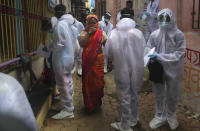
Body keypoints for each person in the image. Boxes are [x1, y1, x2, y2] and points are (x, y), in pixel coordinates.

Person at [105, 9, 145, 131]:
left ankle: (125, 125)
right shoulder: (138, 33)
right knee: (134, 94)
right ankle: (134, 119)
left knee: (124, 96)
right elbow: (144, 51)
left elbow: (108, 53)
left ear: (120, 17)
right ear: (132, 18)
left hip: (121, 69)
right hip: (137, 69)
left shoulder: (114, 33)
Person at [146, 8, 186, 130]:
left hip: (174, 69)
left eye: (166, 19)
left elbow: (179, 53)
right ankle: (160, 116)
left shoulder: (179, 35)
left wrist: (160, 56)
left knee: (173, 93)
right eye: (161, 19)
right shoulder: (154, 34)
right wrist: (149, 54)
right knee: (158, 93)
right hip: (158, 68)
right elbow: (148, 47)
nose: (163, 22)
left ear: (172, 19)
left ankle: (171, 116)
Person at [49, 4, 75, 119]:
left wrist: (48, 48)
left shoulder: (60, 25)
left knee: (63, 84)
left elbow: (58, 44)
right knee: (67, 82)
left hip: (62, 59)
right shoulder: (70, 24)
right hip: (68, 57)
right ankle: (66, 105)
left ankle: (68, 110)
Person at [79, 14, 107, 112]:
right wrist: (89, 34)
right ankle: (89, 105)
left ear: (97, 23)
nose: (92, 24)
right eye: (90, 22)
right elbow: (82, 43)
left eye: (94, 22)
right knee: (88, 83)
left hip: (98, 61)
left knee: (98, 83)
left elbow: (107, 45)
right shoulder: (83, 32)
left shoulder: (101, 33)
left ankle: (97, 103)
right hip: (87, 61)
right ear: (87, 23)